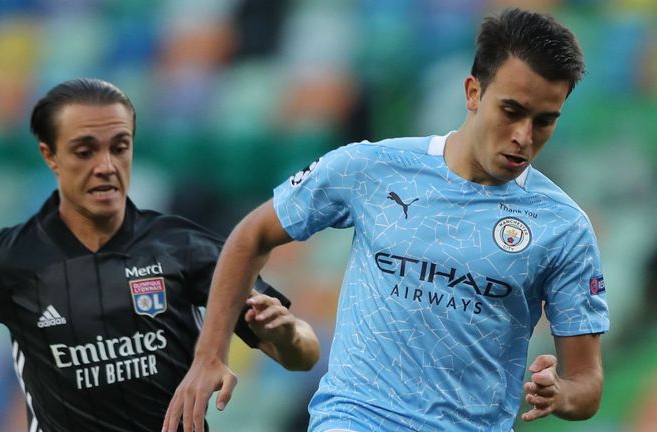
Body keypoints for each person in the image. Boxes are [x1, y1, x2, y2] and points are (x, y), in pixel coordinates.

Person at [164, 8, 609, 432]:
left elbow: (587, 384)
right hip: (355, 416)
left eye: (545, 121)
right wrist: (209, 354)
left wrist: (560, 394)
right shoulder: (373, 168)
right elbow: (252, 234)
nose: (524, 137)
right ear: (473, 92)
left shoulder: (563, 226)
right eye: (511, 111)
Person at [0, 78, 320, 432]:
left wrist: (285, 334)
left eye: (119, 147)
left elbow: (303, 354)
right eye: (85, 151)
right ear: (49, 155)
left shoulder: (182, 246)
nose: (106, 166)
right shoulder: (7, 258)